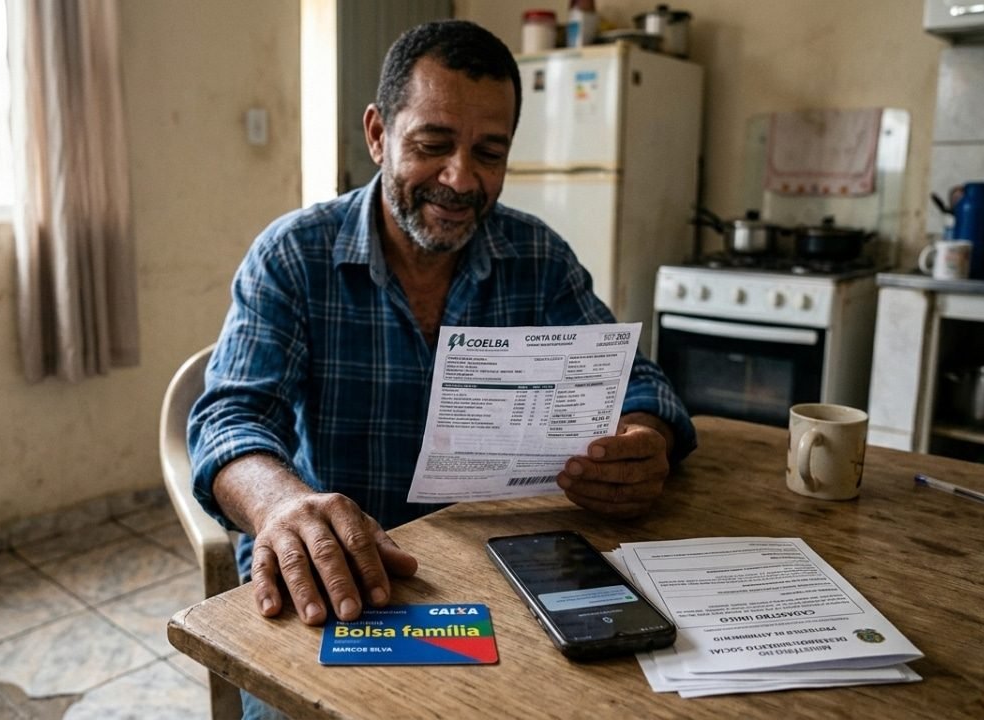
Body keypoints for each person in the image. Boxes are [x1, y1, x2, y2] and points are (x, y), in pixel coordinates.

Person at [190, 18, 694, 630]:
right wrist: (281, 504)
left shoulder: (539, 258)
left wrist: (643, 441)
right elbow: (228, 420)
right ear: (378, 135)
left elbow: (638, 381)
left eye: (489, 154)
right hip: (336, 566)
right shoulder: (294, 255)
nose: (460, 179)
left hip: (497, 565)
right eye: (433, 145)